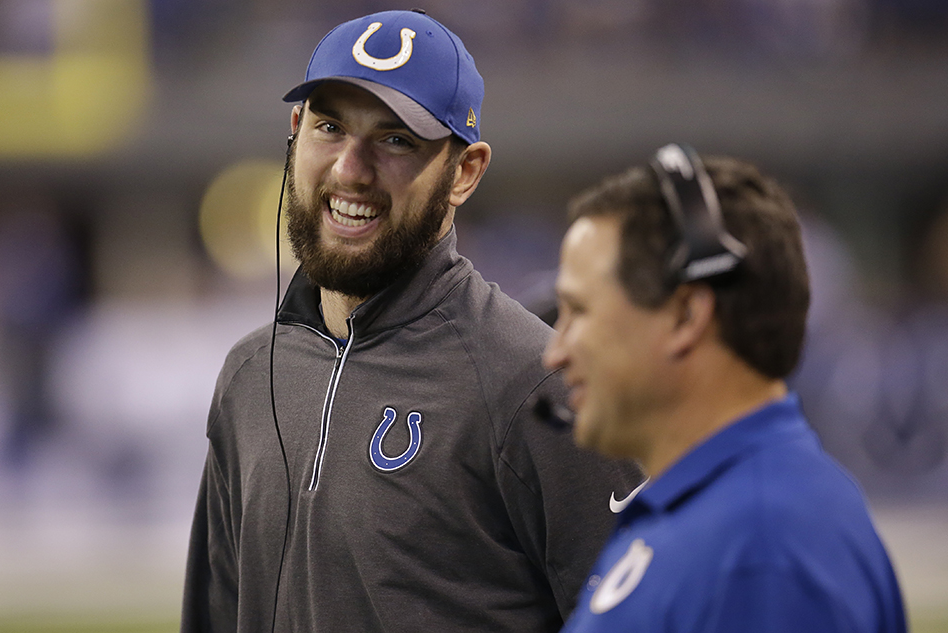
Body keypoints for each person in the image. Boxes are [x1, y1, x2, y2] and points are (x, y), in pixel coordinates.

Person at [181, 10, 642, 633]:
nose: (350, 169)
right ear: (295, 132)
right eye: (329, 127)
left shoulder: (536, 385)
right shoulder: (250, 375)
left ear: (465, 172)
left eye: (396, 140)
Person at [543, 144, 907, 633]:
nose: (555, 352)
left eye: (579, 312)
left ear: (686, 315)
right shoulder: (720, 514)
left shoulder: (761, 551)